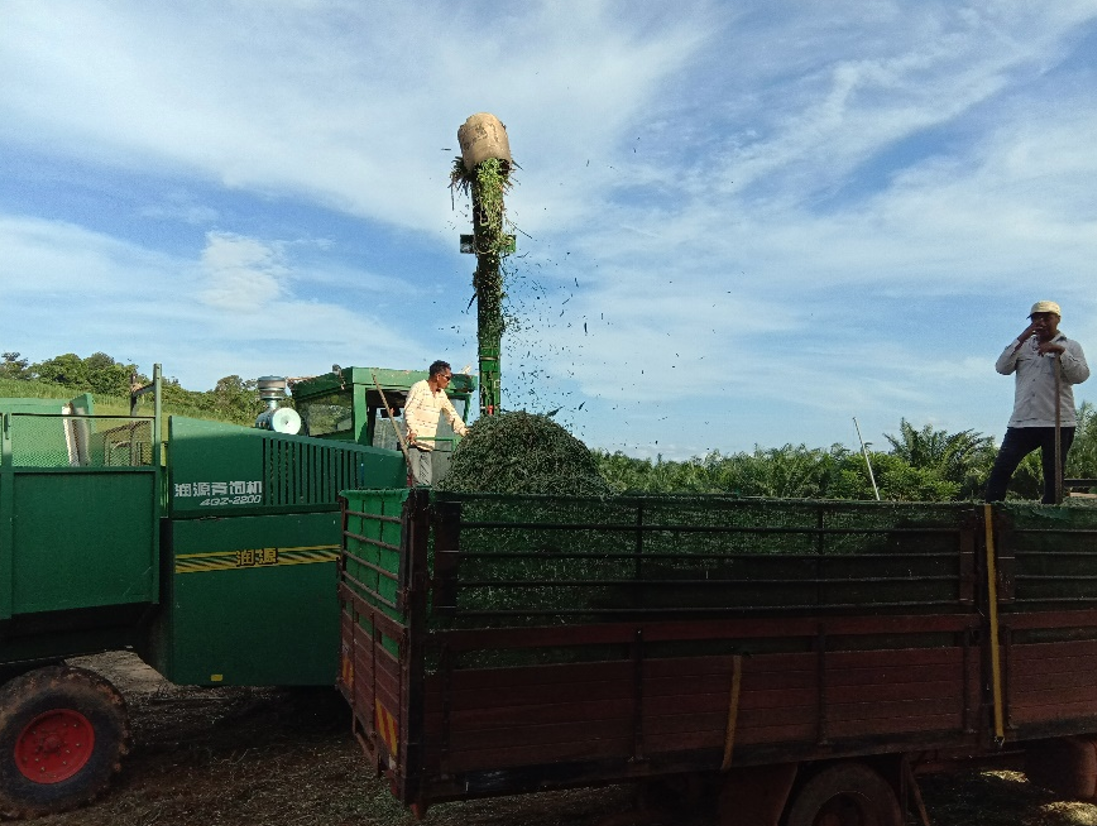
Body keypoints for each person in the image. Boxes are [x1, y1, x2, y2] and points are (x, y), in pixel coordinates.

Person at [985, 300, 1090, 504]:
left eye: (1046, 317)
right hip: (1023, 420)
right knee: (1002, 468)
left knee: (1053, 476)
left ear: (1057, 320)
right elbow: (1001, 367)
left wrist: (1060, 352)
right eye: (1035, 318)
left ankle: (1050, 519)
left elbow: (1081, 376)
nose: (1040, 322)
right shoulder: (1022, 347)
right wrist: (1023, 336)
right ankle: (991, 513)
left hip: (1058, 422)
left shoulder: (1071, 346)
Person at [403, 360, 469, 486]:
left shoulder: (441, 395)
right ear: (438, 376)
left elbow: (451, 414)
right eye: (448, 378)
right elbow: (409, 411)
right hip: (414, 443)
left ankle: (424, 504)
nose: (449, 382)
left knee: (426, 482)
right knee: (415, 482)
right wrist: (413, 431)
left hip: (427, 444)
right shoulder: (419, 388)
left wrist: (464, 431)